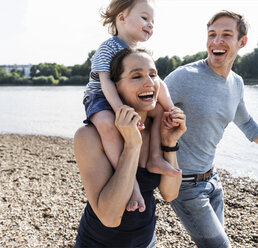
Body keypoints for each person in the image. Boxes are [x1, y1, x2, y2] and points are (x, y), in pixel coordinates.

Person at [164, 10, 258, 248]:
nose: (216, 42)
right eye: (212, 34)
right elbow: (147, 113)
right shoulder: (183, 77)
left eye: (226, 35)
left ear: (242, 42)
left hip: (213, 180)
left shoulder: (236, 82)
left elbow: (247, 123)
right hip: (185, 184)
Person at [74, 48, 186, 247]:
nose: (149, 83)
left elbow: (170, 194)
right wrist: (132, 146)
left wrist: (169, 144)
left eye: (153, 75)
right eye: (136, 76)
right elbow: (110, 217)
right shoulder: (89, 136)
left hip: (146, 241)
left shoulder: (158, 129)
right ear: (115, 87)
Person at [83, 0, 179, 213]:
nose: (150, 24)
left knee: (159, 111)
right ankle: (132, 185)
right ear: (122, 18)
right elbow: (106, 81)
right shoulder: (109, 47)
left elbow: (158, 83)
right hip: (99, 96)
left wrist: (171, 109)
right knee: (108, 125)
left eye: (153, 21)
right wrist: (119, 109)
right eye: (145, 18)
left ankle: (154, 156)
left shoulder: (138, 52)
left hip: (122, 95)